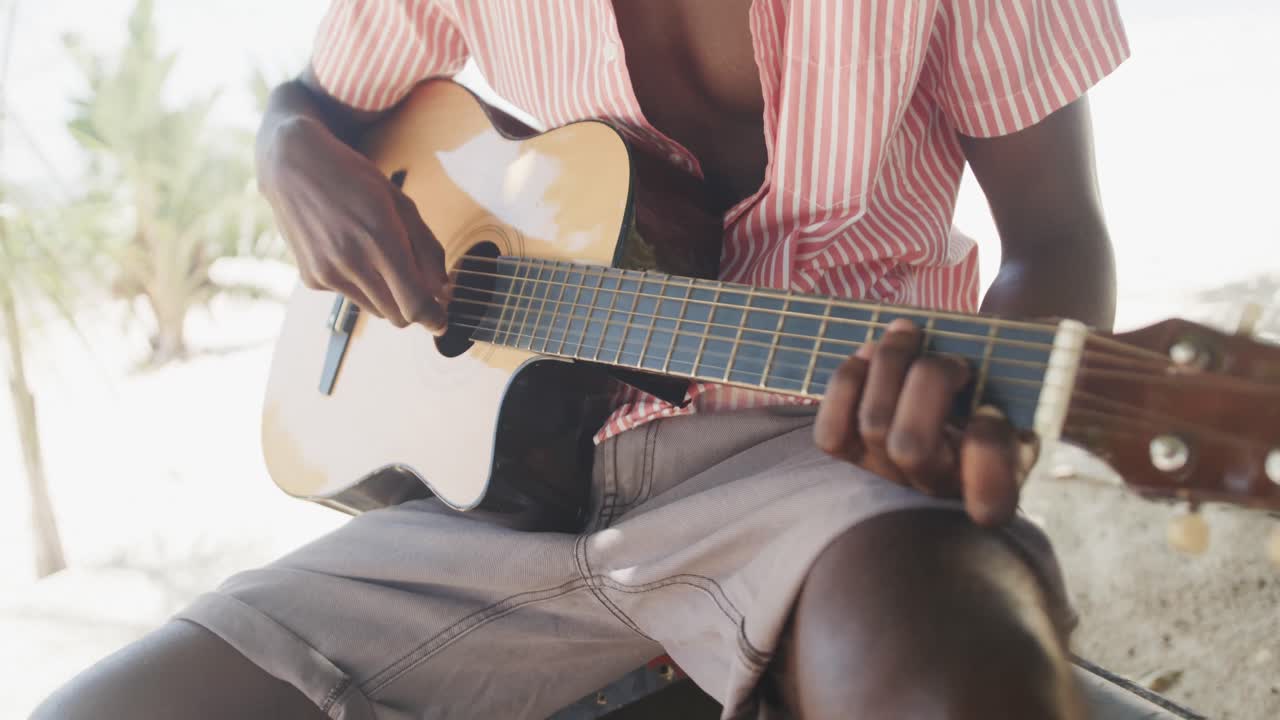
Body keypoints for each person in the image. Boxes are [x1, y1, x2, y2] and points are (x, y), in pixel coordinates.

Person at [34, 1, 1128, 718]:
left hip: (830, 458)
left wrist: (987, 413)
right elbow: (310, 108)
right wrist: (284, 149)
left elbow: (1056, 238)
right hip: (504, 496)